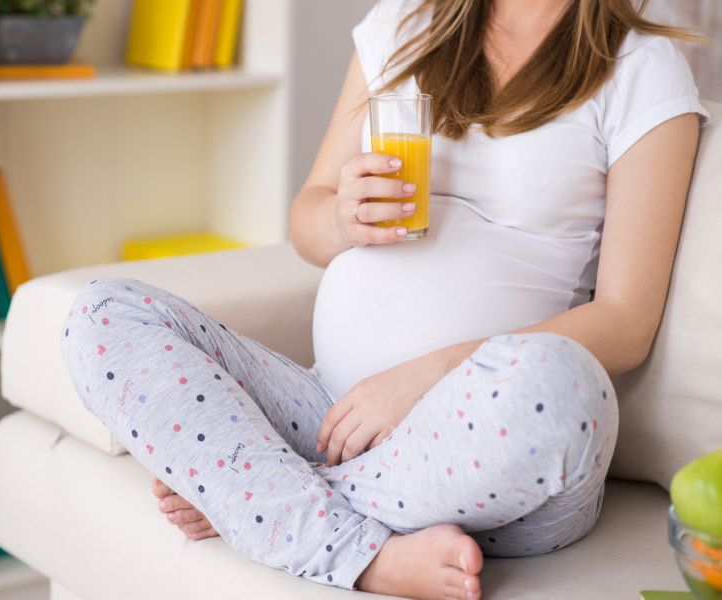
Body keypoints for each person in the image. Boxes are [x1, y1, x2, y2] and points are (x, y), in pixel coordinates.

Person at [61, 0, 708, 598]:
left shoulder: (642, 69)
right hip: (332, 414)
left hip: (493, 447)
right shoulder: (404, 24)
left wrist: (429, 375)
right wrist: (341, 215)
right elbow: (307, 221)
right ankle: (342, 539)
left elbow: (626, 321)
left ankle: (255, 497)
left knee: (561, 384)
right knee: (103, 313)